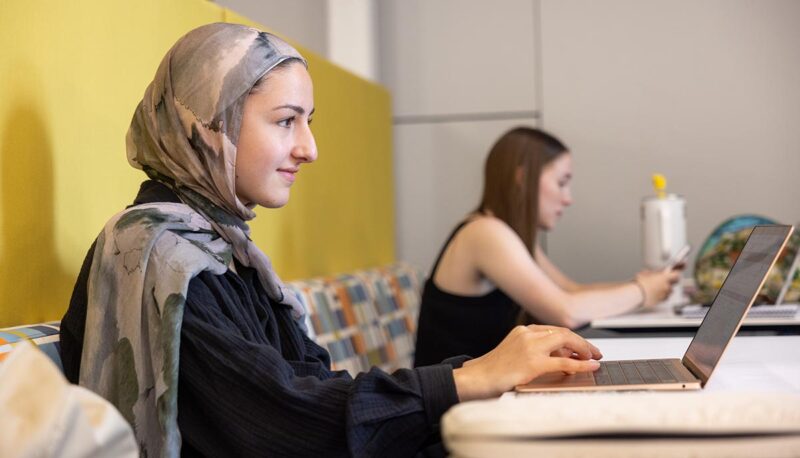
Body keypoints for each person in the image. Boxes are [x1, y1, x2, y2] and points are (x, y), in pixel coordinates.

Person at [59, 23, 603, 457]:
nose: (310, 148)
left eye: (308, 122)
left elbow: (311, 386)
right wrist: (472, 379)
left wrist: (483, 373)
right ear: (208, 126)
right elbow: (283, 422)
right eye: (286, 121)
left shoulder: (216, 248)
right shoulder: (155, 258)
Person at [414, 127, 680, 367]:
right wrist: (643, 291)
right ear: (523, 178)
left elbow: (571, 291)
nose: (568, 199)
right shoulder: (485, 233)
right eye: (562, 182)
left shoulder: (506, 233)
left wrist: (639, 285)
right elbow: (567, 312)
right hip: (449, 408)